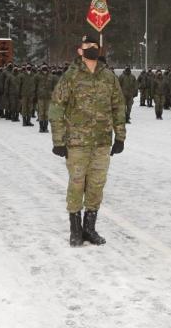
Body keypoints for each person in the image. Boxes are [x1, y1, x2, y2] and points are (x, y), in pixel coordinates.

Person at [49, 31, 126, 247]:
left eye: (95, 45)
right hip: (76, 142)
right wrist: (58, 141)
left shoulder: (108, 76)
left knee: (96, 185)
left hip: (102, 142)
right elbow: (56, 107)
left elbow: (118, 106)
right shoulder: (71, 76)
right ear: (80, 51)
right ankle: (75, 230)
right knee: (76, 184)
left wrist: (120, 136)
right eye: (88, 46)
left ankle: (89, 228)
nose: (92, 49)